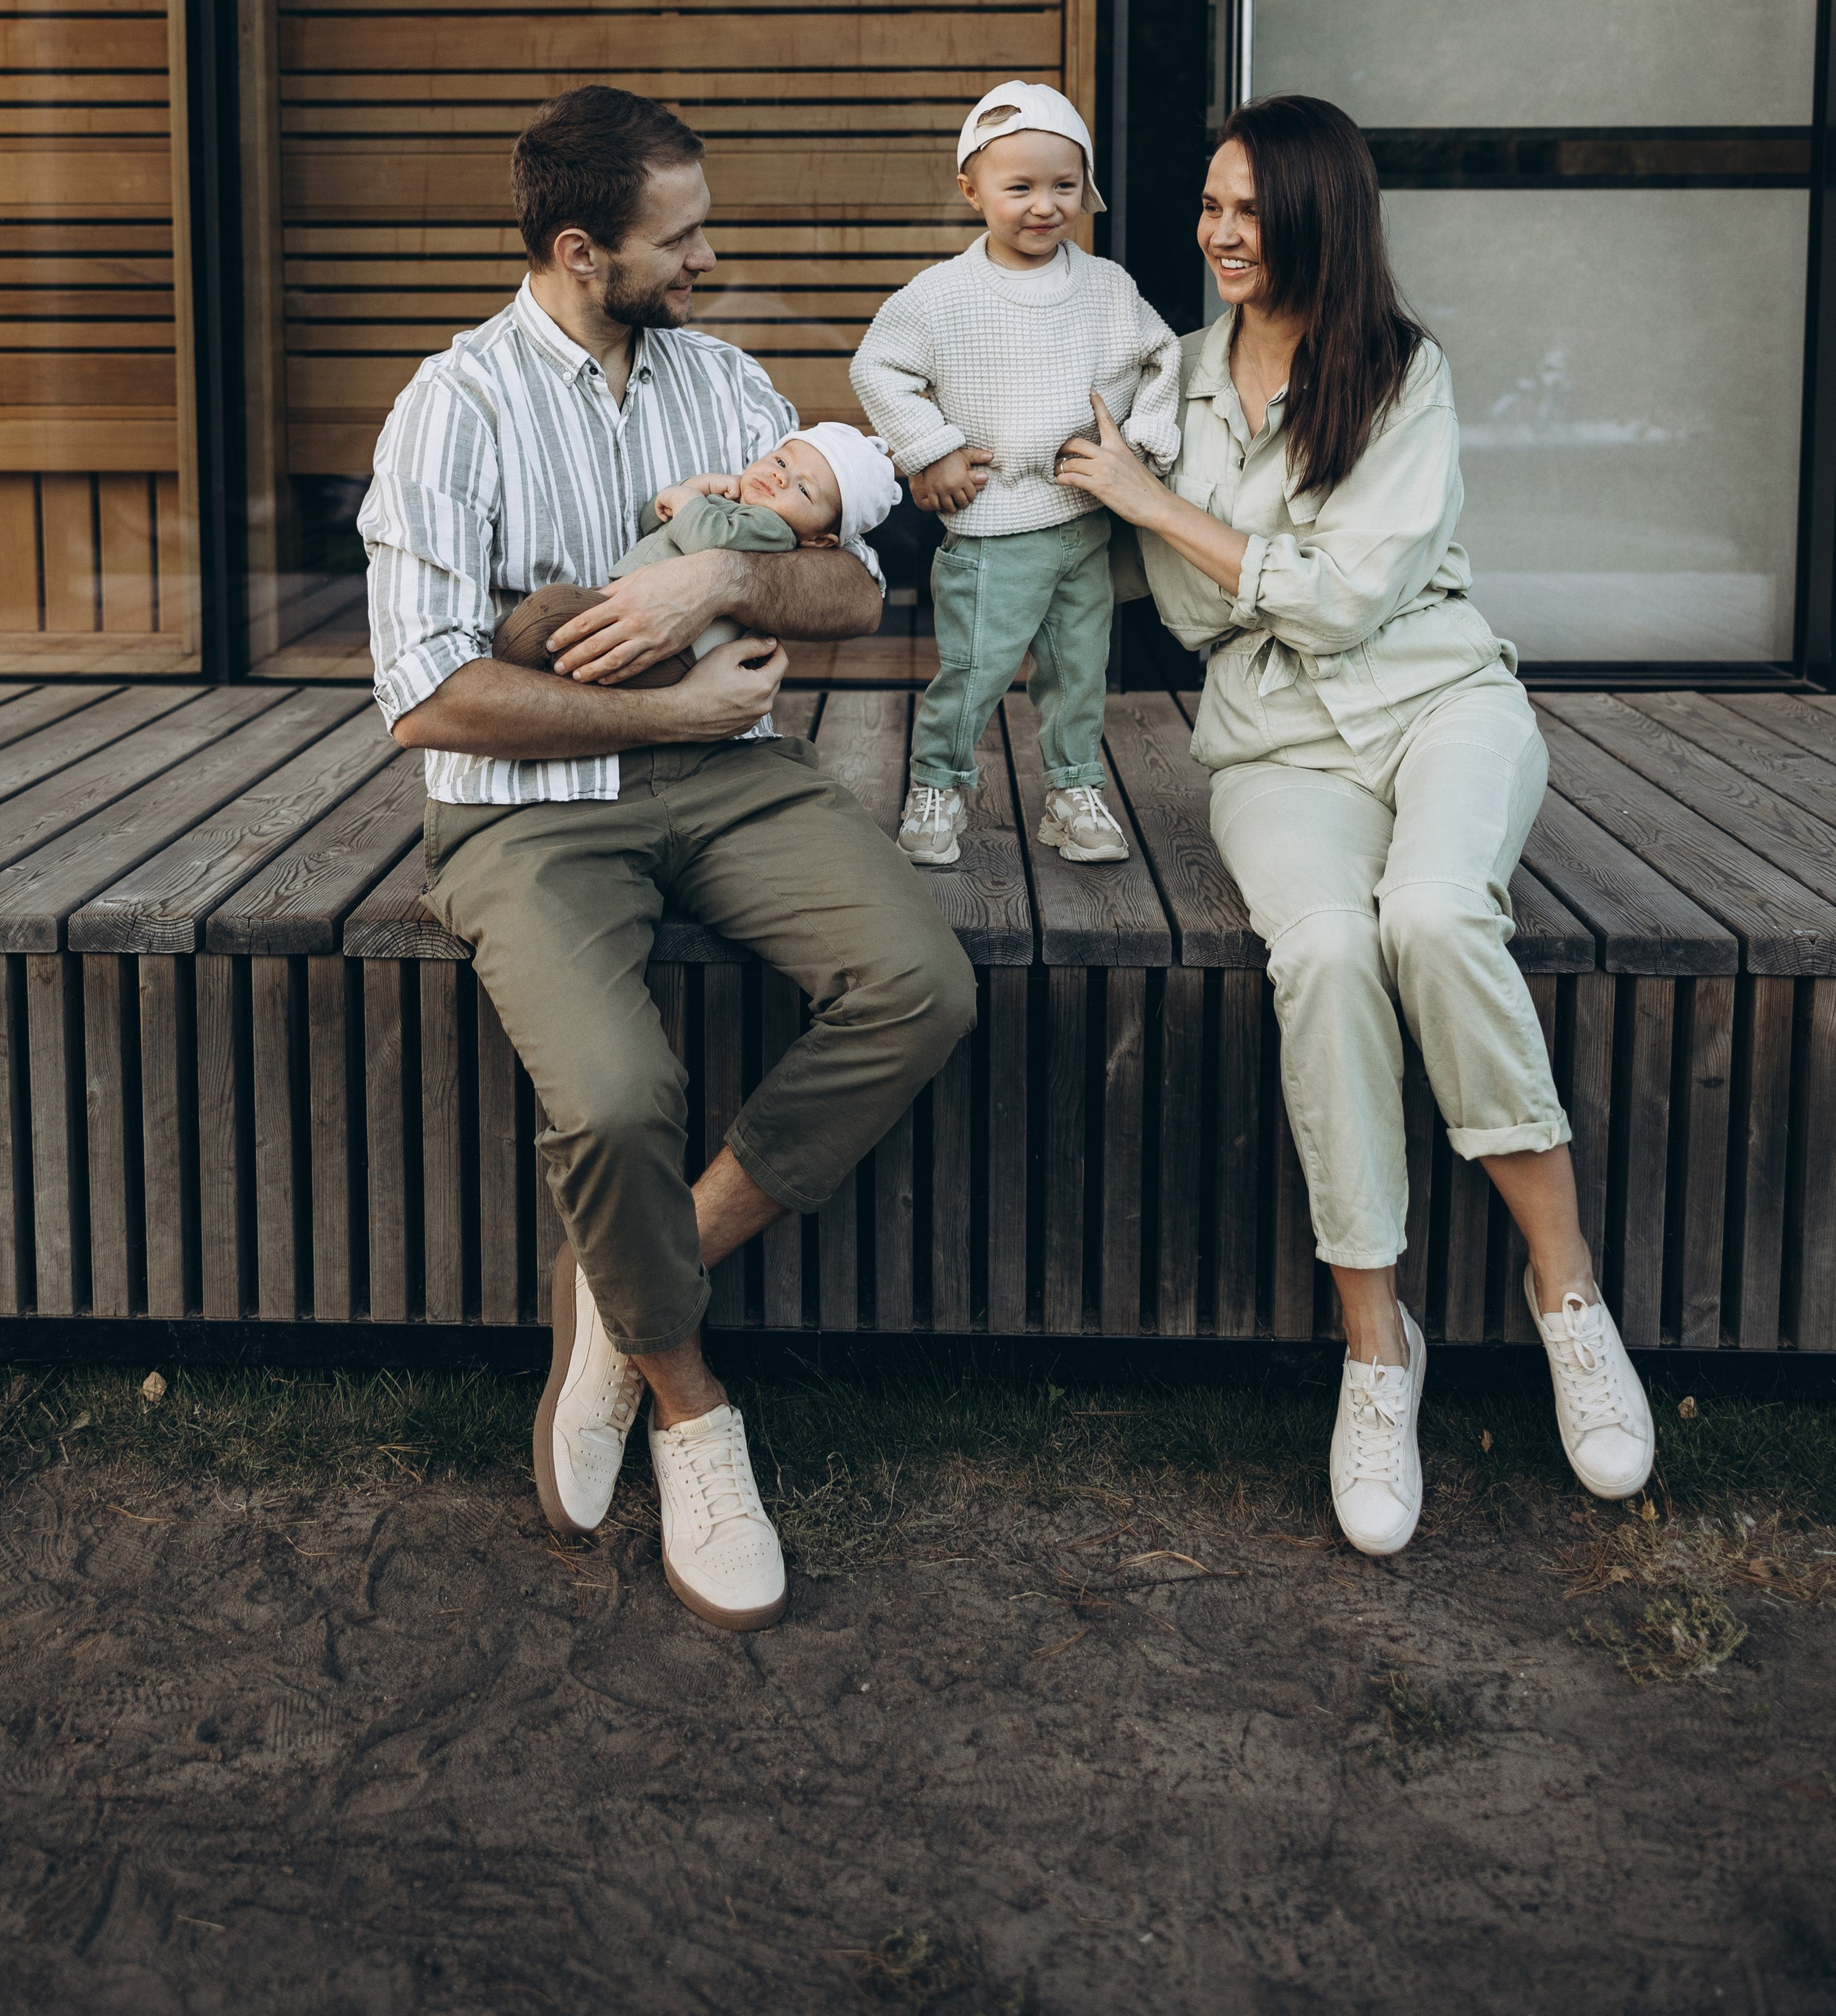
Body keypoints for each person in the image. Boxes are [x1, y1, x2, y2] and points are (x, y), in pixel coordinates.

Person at [360, 84, 977, 1631]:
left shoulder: (723, 382)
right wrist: (669, 690)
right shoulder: (454, 405)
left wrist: (717, 567)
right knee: (621, 1093)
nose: (705, 260)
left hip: (728, 784)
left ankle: (627, 1285)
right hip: (523, 810)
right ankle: (692, 1408)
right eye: (677, 238)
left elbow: (855, 599)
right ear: (581, 250)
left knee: (919, 986)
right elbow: (427, 691)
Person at [1054, 94, 1654, 1558]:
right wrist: (1231, 544)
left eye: (1248, 207)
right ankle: (1376, 1349)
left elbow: (1342, 599)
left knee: (1433, 915)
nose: (1217, 232)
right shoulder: (1168, 377)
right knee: (1323, 951)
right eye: (1207, 205)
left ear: (1323, 213)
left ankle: (1563, 1294)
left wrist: (1163, 508)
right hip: (1270, 749)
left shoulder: (1399, 373)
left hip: (1441, 704)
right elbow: (1203, 608)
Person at [850, 79, 1180, 868]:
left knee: (1078, 673)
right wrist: (930, 447)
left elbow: (1161, 353)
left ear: (1086, 189)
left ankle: (1074, 790)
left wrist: (1142, 440)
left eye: (1064, 186)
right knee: (972, 672)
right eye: (1019, 188)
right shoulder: (942, 295)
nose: (1044, 206)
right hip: (990, 528)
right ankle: (939, 783)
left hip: (1082, 521)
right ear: (972, 192)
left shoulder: (1107, 288)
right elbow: (879, 368)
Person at [488, 424, 899, 682]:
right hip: (623, 609)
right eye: (780, 460)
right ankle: (521, 667)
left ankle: (509, 661)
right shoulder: (734, 511)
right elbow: (657, 524)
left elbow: (706, 540)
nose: (780, 476)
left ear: (819, 540)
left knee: (551, 609)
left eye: (804, 489)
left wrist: (689, 497)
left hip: (676, 654)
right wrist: (691, 491)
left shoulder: (772, 531)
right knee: (563, 625)